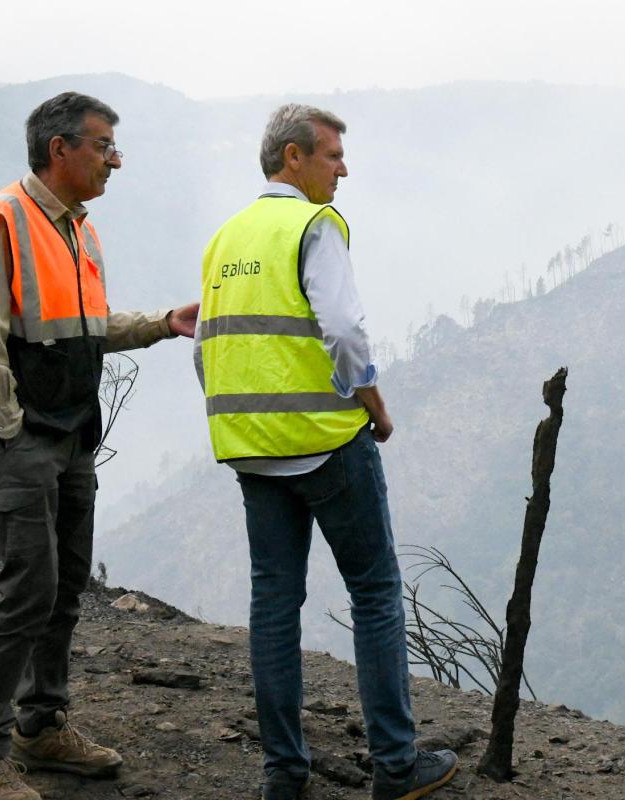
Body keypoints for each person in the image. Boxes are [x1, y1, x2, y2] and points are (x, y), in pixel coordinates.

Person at [0, 91, 200, 800]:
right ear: (61, 149)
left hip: (68, 428)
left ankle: (41, 726)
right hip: (19, 431)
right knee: (29, 587)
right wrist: (13, 433)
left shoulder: (78, 228)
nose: (116, 159)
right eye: (104, 145)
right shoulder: (5, 220)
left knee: (66, 583)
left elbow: (81, 326)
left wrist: (160, 323)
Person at [196, 104, 457, 800]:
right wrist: (371, 404)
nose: (344, 169)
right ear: (293, 158)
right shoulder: (316, 225)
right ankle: (396, 769)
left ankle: (285, 775)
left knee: (274, 604)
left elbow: (207, 344)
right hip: (327, 443)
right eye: (333, 155)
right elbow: (343, 328)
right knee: (374, 594)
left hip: (252, 452)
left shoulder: (227, 237)